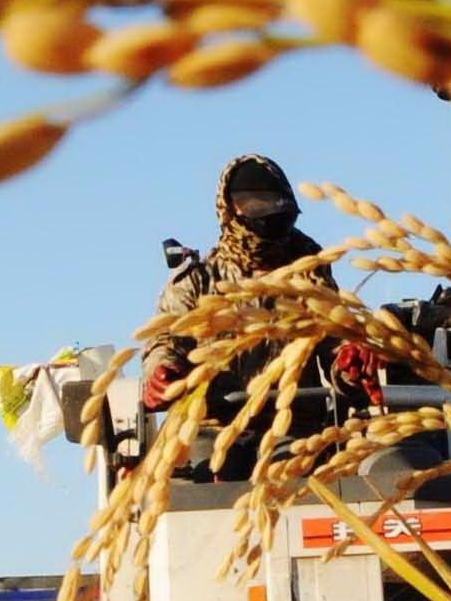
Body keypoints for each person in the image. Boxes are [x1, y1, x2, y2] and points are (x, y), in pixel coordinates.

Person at [140, 154, 338, 414]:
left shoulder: (309, 273)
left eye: (275, 204)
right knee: (203, 455)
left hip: (293, 424)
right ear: (230, 210)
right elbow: (166, 339)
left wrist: (348, 364)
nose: (268, 213)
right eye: (255, 205)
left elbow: (335, 339)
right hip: (213, 424)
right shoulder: (201, 278)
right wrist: (162, 371)